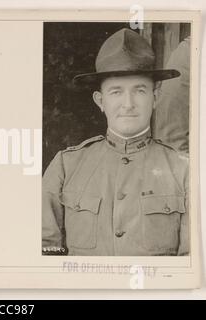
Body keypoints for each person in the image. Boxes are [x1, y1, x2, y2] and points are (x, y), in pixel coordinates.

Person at [42, 28, 189, 256]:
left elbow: (190, 266)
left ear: (155, 98)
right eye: (116, 92)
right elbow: (45, 251)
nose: (128, 104)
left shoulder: (183, 170)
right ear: (100, 101)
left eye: (139, 91)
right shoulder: (65, 166)